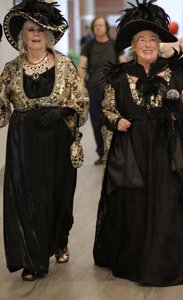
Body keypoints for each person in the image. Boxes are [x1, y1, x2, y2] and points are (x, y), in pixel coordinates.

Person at [93, 0, 183, 286]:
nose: (147, 44)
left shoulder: (178, 74)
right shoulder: (119, 77)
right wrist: (116, 120)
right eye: (141, 39)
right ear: (132, 44)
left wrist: (178, 114)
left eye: (152, 39)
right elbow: (106, 108)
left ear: (160, 43)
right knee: (134, 205)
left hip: (166, 151)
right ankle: (135, 262)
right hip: (132, 151)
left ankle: (161, 265)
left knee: (166, 205)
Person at [0, 0, 89, 281]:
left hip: (57, 139)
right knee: (26, 199)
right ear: (22, 36)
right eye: (30, 29)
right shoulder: (11, 69)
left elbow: (82, 100)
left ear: (49, 35)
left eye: (40, 29)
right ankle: (33, 260)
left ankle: (59, 240)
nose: (35, 34)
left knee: (59, 198)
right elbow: (2, 110)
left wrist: (62, 110)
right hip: (22, 142)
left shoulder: (64, 64)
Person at [78, 17, 126, 165]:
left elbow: (123, 63)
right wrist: (80, 83)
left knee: (115, 121)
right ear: (93, 29)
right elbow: (82, 66)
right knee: (97, 123)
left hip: (114, 90)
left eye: (101, 25)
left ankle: (116, 152)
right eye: (96, 25)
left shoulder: (115, 44)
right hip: (94, 90)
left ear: (106, 27)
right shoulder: (88, 46)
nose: (98, 27)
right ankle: (102, 153)